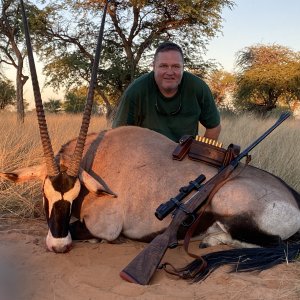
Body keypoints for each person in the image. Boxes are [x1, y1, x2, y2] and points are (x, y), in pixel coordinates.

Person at [112, 41, 221, 143]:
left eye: (176, 66)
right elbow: (118, 135)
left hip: (184, 157)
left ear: (183, 67)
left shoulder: (198, 87)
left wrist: (199, 155)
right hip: (147, 156)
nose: (169, 72)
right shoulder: (136, 90)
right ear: (153, 66)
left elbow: (214, 128)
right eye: (163, 66)